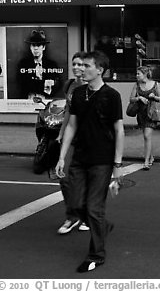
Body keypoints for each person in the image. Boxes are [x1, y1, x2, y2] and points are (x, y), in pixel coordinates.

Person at [55, 50, 124, 273]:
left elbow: (119, 129)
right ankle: (102, 226)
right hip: (80, 158)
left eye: (86, 66)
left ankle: (97, 254)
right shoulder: (78, 94)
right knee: (75, 205)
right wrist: (62, 156)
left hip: (102, 161)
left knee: (94, 209)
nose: (81, 69)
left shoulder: (111, 95)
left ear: (100, 70)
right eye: (81, 65)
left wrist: (118, 165)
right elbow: (72, 125)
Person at [55, 51, 90, 234]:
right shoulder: (70, 85)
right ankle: (72, 216)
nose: (76, 67)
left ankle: (85, 215)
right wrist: (61, 132)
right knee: (63, 177)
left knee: (85, 180)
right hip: (71, 137)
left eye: (80, 64)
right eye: (74, 64)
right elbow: (69, 111)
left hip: (89, 139)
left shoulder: (93, 87)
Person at [128, 66, 160, 170]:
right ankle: (151, 156)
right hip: (141, 113)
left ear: (144, 74)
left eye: (138, 73)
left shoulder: (155, 84)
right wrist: (139, 98)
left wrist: (154, 97)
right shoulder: (136, 85)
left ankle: (146, 161)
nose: (136, 75)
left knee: (147, 135)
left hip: (152, 113)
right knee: (146, 137)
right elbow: (131, 99)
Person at [17, 29, 64, 99]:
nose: (35, 48)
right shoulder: (23, 64)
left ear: (44, 47)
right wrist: (44, 84)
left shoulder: (52, 65)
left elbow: (58, 84)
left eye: (38, 45)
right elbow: (22, 84)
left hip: (47, 100)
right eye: (33, 45)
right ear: (30, 47)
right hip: (28, 100)